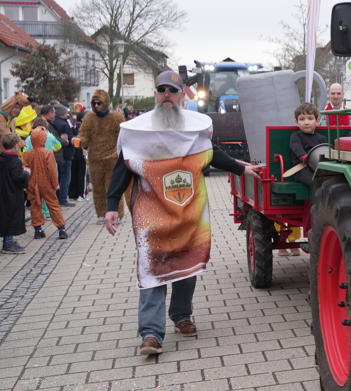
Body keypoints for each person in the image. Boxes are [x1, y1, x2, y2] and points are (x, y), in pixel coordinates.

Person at [104, 71, 260, 355]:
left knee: (187, 263)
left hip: (189, 210)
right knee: (152, 266)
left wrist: (241, 167)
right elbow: (121, 168)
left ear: (180, 95)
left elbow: (211, 152)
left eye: (172, 90)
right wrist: (111, 206)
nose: (166, 94)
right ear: (155, 94)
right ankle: (151, 333)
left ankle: (182, 315)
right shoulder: (135, 131)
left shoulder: (196, 127)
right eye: (161, 89)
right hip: (151, 213)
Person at [79, 89, 124, 222]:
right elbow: (84, 135)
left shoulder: (117, 117)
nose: (97, 106)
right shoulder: (89, 117)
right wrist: (80, 141)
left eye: (99, 103)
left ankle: (117, 213)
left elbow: (122, 137)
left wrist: (119, 152)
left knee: (113, 188)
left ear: (106, 103)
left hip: (112, 158)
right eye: (95, 103)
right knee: (98, 188)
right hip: (95, 159)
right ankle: (100, 213)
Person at [22, 124, 66, 240]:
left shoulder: (27, 154)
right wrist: (55, 183)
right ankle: (61, 229)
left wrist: (26, 185)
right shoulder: (48, 153)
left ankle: (38, 230)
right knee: (53, 205)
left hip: (32, 184)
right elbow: (52, 170)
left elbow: (25, 170)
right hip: (46, 184)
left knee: (35, 206)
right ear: (43, 139)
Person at [0, 133, 30, 253]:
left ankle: (9, 240)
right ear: (15, 145)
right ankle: (8, 243)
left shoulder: (2, 157)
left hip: (3, 191)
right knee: (11, 216)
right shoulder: (14, 160)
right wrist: (26, 173)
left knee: (7, 215)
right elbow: (17, 178)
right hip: (12, 193)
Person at [288, 102, 327, 187]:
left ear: (317, 121)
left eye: (310, 118)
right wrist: (304, 157)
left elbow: (325, 151)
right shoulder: (296, 136)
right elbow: (296, 147)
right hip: (302, 169)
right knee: (315, 182)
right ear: (297, 122)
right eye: (302, 119)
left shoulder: (321, 138)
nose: (306, 122)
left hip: (319, 168)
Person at [51, 104, 76, 206]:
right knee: (65, 177)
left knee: (58, 177)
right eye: (65, 112)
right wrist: (73, 140)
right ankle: (63, 199)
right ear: (61, 113)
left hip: (57, 153)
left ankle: (57, 198)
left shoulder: (53, 122)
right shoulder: (64, 124)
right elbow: (68, 138)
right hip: (66, 153)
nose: (67, 114)